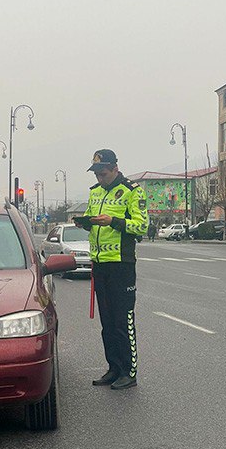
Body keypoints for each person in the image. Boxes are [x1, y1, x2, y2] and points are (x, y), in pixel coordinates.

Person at [75, 149, 148, 390]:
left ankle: (129, 371)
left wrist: (113, 222)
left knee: (122, 320)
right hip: (99, 264)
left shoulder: (132, 191)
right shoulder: (95, 193)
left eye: (103, 174)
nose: (99, 178)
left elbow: (142, 227)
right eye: (96, 174)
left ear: (115, 169)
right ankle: (114, 368)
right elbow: (92, 221)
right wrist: (85, 222)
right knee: (107, 321)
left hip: (121, 265)